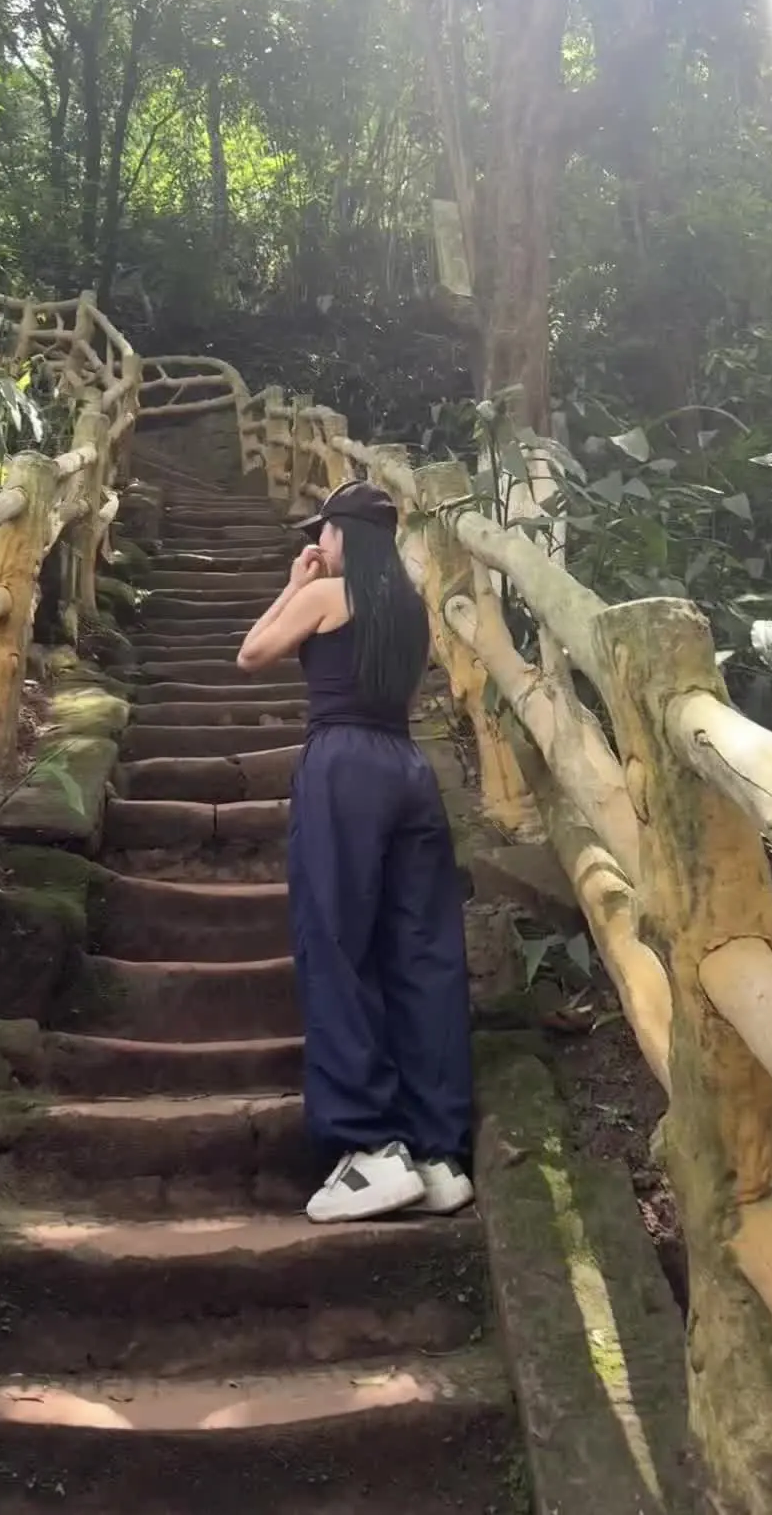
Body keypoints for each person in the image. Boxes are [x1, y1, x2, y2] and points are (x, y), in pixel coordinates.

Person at [237, 479, 474, 1224]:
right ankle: (438, 1154)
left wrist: (293, 584)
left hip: (343, 765)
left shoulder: (325, 594)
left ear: (341, 534)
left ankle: (370, 1148)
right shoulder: (410, 610)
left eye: (324, 532)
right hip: (409, 770)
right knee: (422, 952)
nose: (318, 543)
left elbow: (252, 653)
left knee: (337, 944)